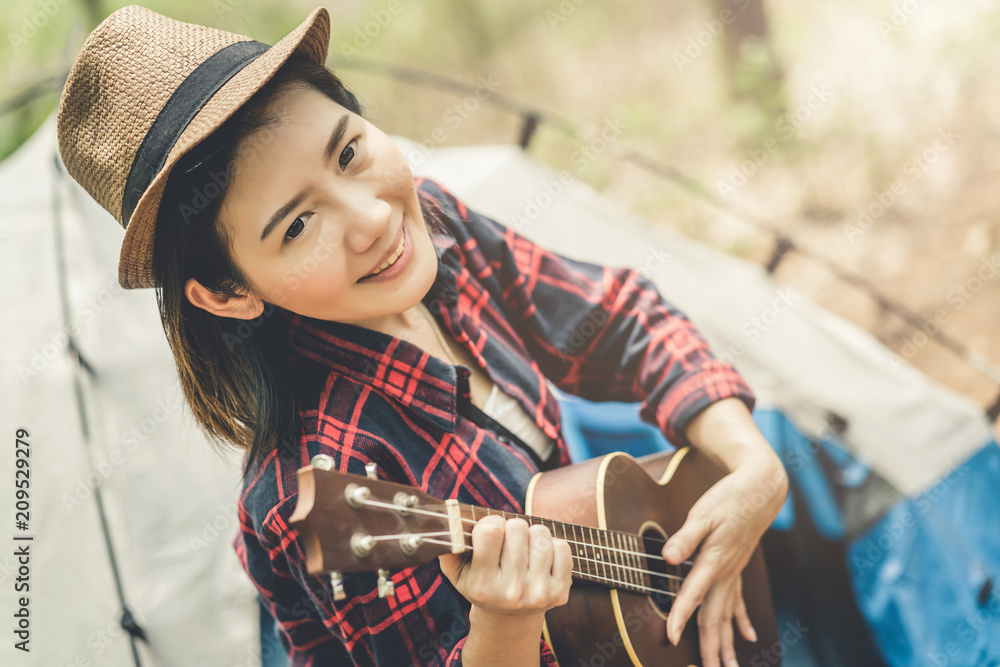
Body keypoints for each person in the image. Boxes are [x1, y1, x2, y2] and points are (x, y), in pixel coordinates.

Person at [56, 5, 788, 667]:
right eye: (300, 225)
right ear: (229, 291)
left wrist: (752, 466)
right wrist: (505, 620)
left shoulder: (433, 228)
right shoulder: (318, 486)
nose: (372, 220)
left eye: (348, 154)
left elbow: (617, 317)